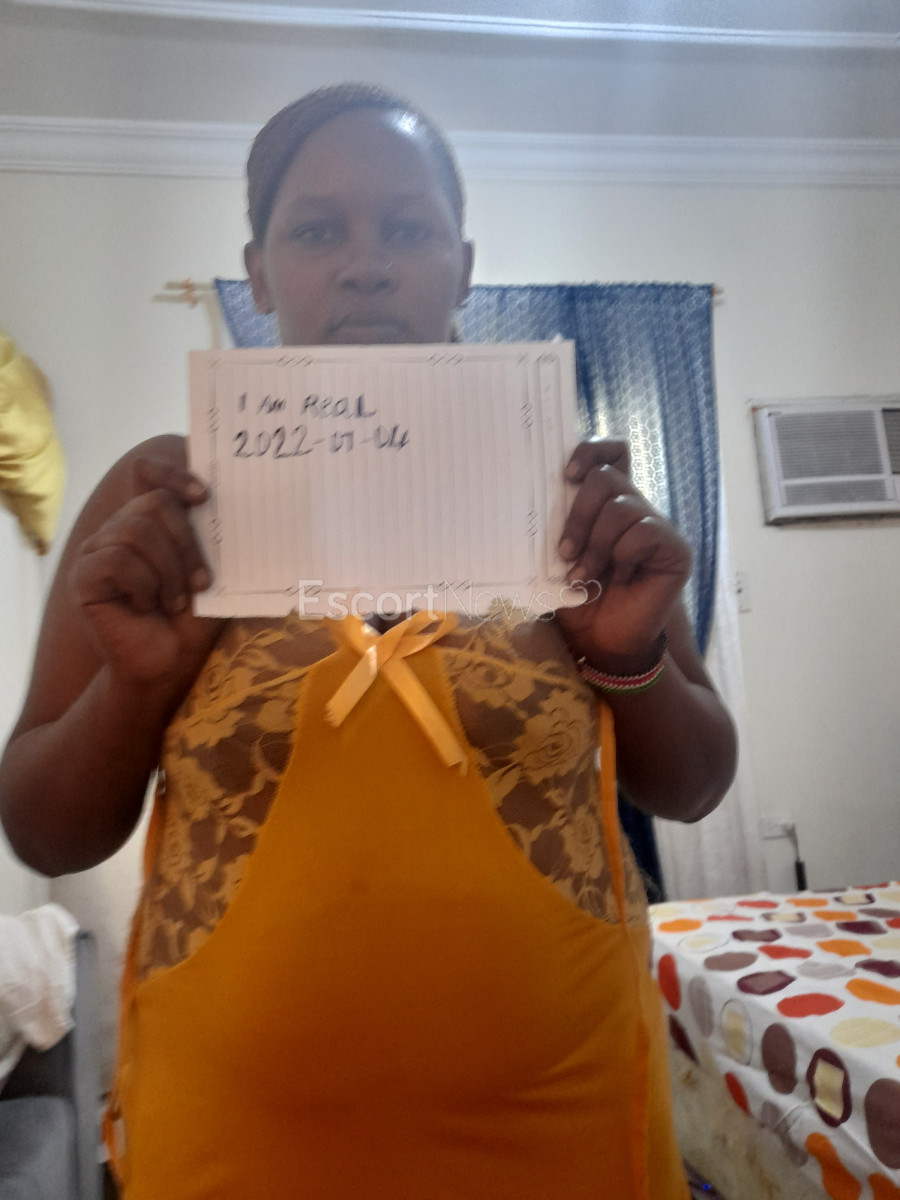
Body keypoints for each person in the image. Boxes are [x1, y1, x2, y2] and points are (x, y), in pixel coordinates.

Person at [0, 83, 736, 1199]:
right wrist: (139, 686)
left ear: (462, 264)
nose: (365, 264)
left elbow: (695, 785)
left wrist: (627, 658)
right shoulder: (163, 500)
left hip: (564, 1112)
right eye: (316, 230)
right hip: (238, 1135)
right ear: (257, 272)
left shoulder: (562, 491)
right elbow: (43, 830)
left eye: (406, 229)